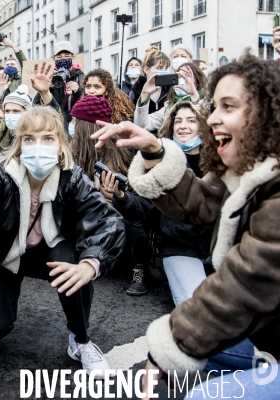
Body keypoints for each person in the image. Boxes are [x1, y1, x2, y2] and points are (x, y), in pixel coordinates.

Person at [91, 52, 280, 399]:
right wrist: (154, 151)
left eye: (228, 106)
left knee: (198, 386)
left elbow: (244, 283)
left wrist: (171, 344)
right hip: (182, 253)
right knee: (204, 350)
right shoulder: (245, 170)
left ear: (265, 114)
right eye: (215, 107)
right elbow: (202, 200)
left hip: (245, 303)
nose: (212, 119)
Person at [0, 106, 125, 378]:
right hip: (5, 255)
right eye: (29, 138)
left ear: (62, 147)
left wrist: (90, 264)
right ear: (19, 144)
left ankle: (81, 339)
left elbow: (107, 220)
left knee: (74, 264)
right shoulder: (0, 173)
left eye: (48, 138)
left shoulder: (73, 178)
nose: (37, 146)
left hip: (51, 253)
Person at [105, 101, 213, 297]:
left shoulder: (218, 161)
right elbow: (143, 208)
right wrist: (120, 196)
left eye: (191, 120)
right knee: (194, 304)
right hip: (181, 248)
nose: (183, 126)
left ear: (203, 126)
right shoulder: (159, 162)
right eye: (178, 121)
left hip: (216, 249)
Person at [68, 96, 151, 296]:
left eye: (75, 121)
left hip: (117, 220)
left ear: (86, 127)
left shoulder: (122, 154)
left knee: (131, 223)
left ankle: (140, 269)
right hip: (85, 218)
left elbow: (142, 208)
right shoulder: (71, 151)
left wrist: (118, 196)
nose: (71, 126)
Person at [134, 62, 207, 132]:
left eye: (186, 76)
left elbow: (204, 124)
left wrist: (194, 95)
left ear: (197, 81)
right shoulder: (168, 107)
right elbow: (142, 125)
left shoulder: (207, 102)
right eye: (178, 76)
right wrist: (144, 95)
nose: (182, 80)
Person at [32, 41, 84, 128]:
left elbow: (89, 102)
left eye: (67, 56)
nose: (63, 60)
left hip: (77, 127)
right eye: (59, 57)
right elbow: (35, 106)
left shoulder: (81, 77)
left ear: (73, 57)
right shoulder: (49, 78)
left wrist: (78, 91)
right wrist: (46, 90)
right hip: (54, 126)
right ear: (54, 59)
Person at [0, 84, 33, 153]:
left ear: (27, 113)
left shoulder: (36, 135)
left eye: (16, 111)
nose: (10, 115)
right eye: (7, 111)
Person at [0, 35, 27, 103]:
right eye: (7, 65)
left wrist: (13, 46)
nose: (9, 66)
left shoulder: (21, 79)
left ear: (19, 68)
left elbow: (25, 64)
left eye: (12, 64)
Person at [129, 46, 171, 111]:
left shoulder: (170, 90)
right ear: (146, 69)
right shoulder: (135, 93)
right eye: (159, 68)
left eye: (166, 68)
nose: (164, 71)